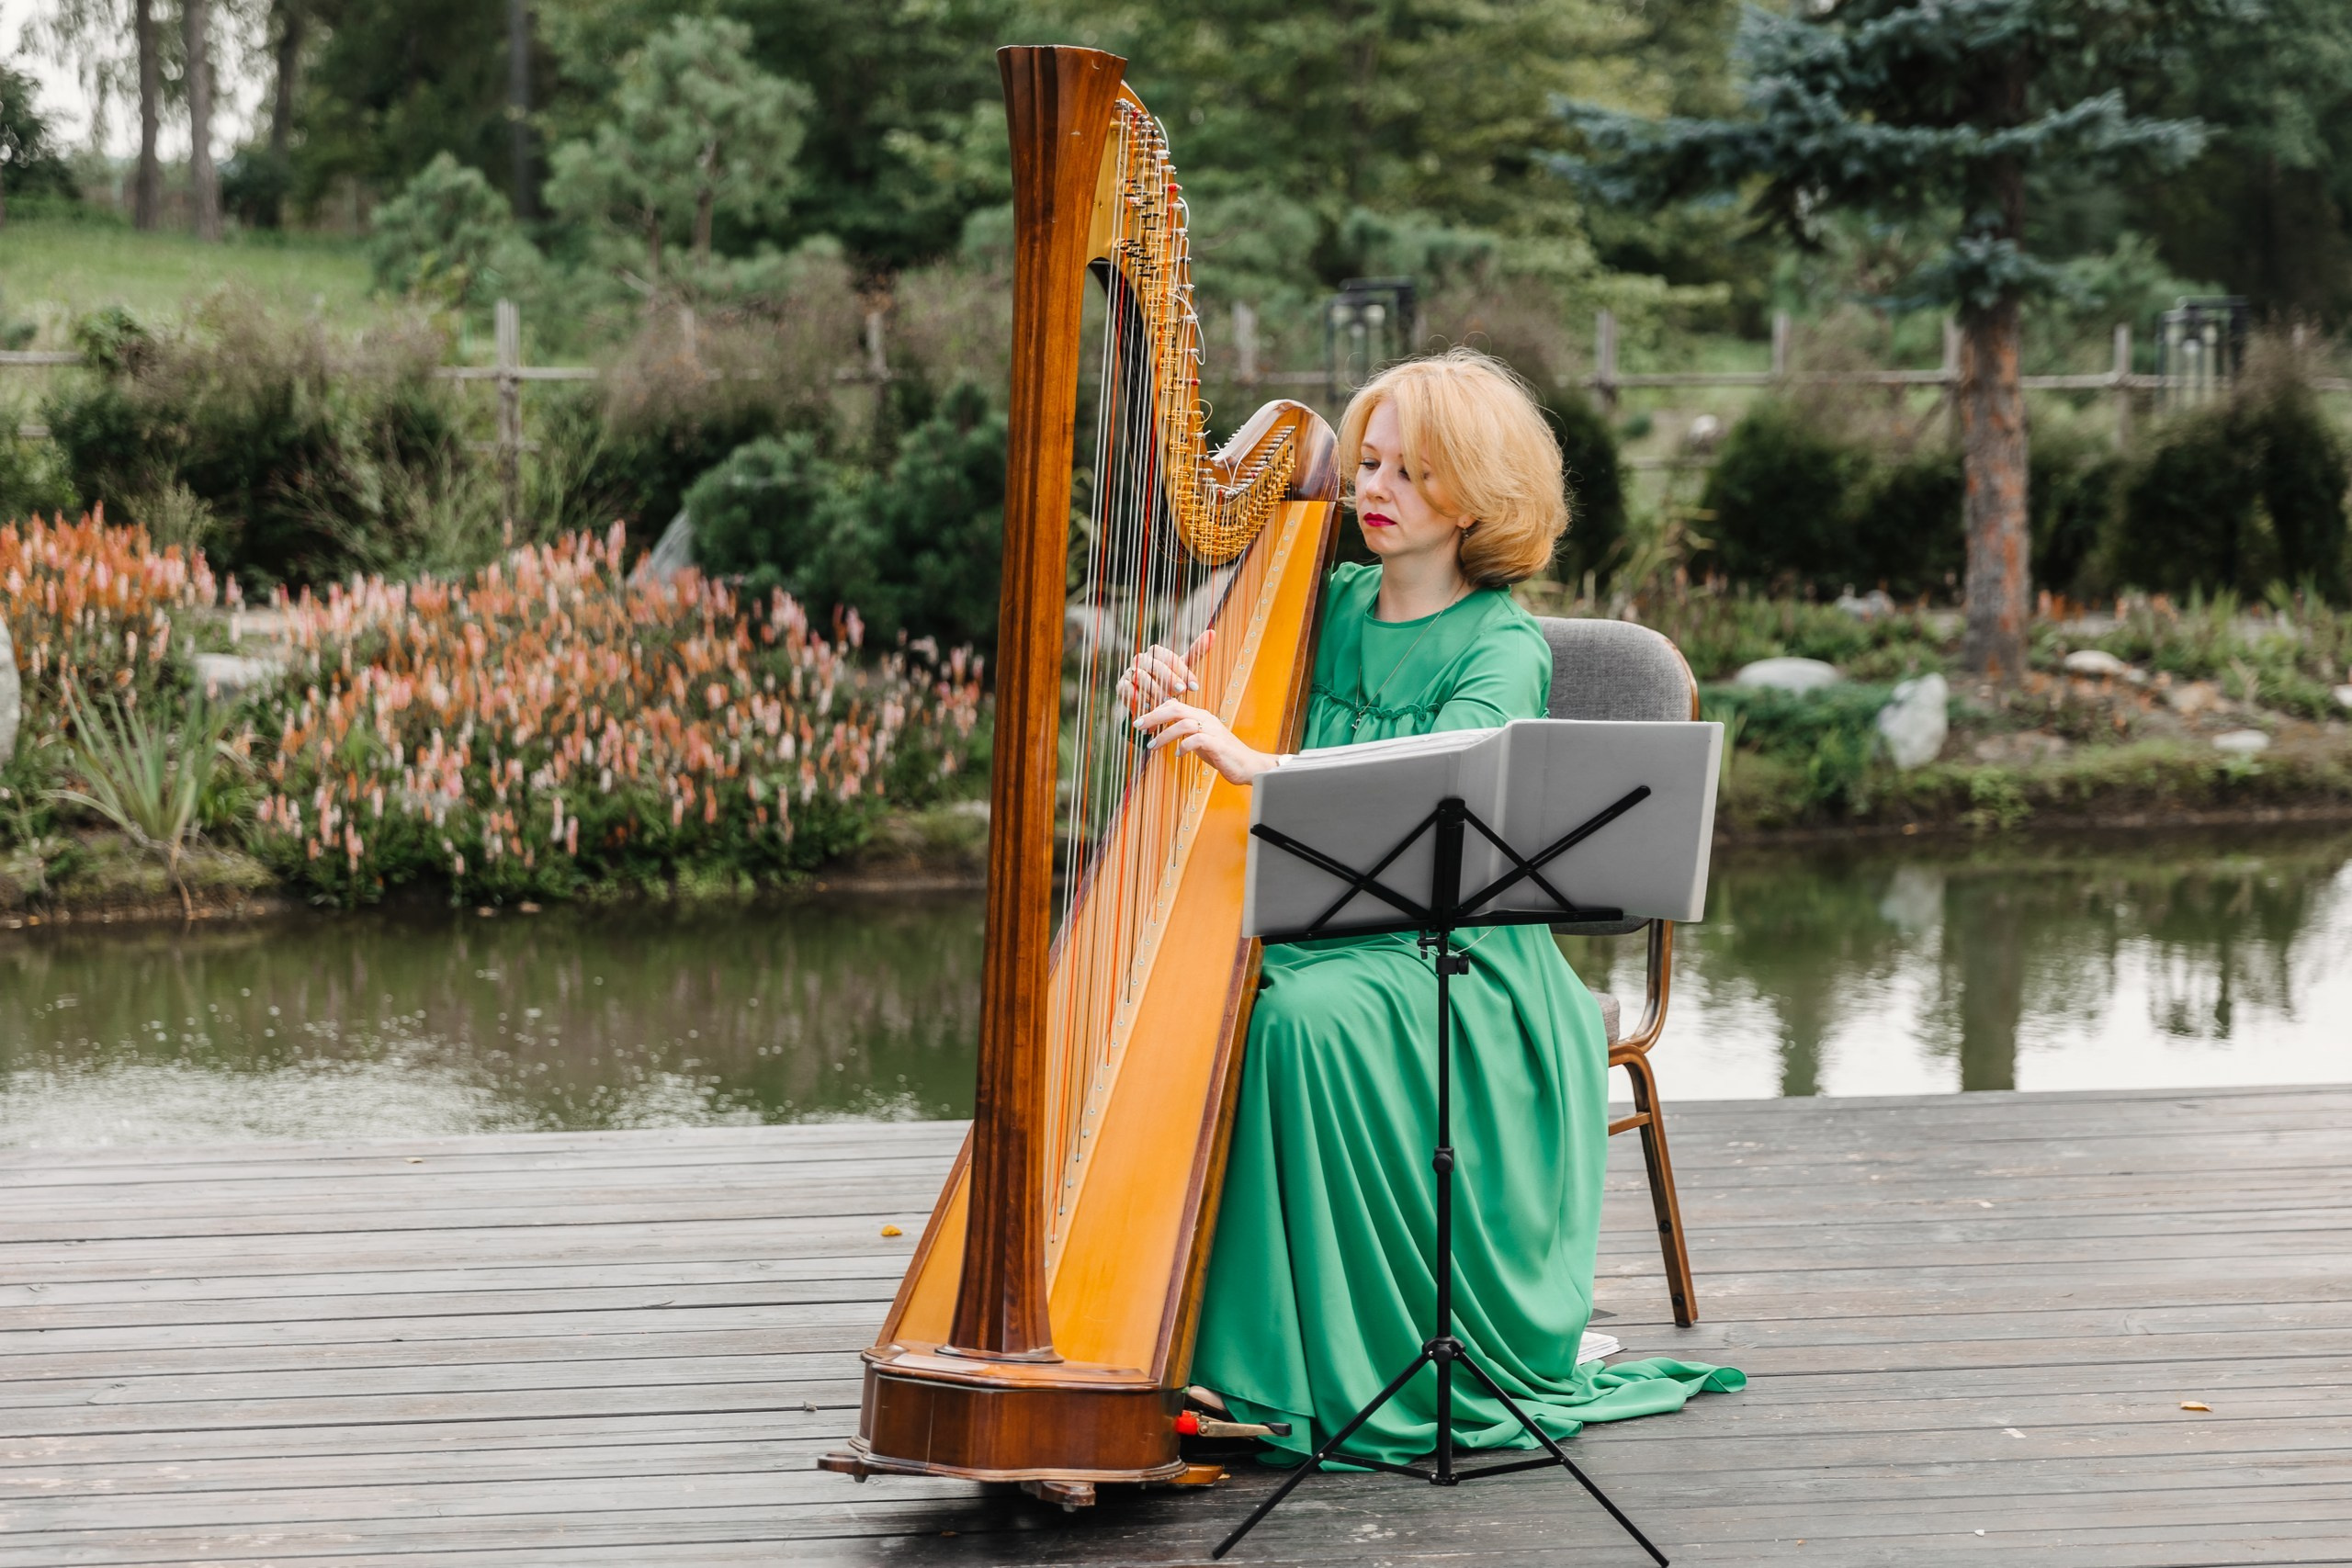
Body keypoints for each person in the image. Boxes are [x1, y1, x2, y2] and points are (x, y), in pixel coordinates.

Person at [1125, 349, 1741, 1468]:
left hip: (1454, 950)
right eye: (1368, 461)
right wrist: (1167, 690)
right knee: (1194, 1004)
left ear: (1476, 499)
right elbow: (1212, 710)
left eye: (1412, 472)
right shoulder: (1312, 594)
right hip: (1307, 926)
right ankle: (1183, 1342)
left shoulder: (1499, 647)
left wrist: (1250, 762)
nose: (1375, 488)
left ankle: (1299, 1372)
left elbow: (1409, 796)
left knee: (1290, 1024)